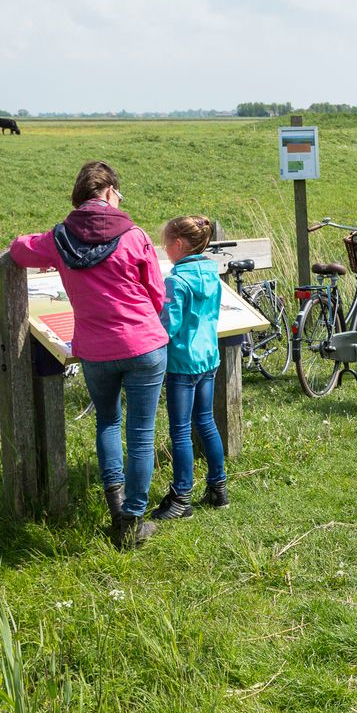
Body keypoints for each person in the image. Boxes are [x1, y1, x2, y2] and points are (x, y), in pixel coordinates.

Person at [8, 161, 167, 550]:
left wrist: (26, 241)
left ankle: (116, 511)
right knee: (141, 433)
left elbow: (19, 250)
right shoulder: (134, 235)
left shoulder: (60, 238)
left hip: (95, 348)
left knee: (108, 423)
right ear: (110, 191)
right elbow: (157, 294)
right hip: (143, 343)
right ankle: (133, 520)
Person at [150, 215, 229, 521]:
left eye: (165, 244)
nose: (163, 249)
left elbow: (168, 326)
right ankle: (218, 487)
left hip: (182, 363)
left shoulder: (176, 280)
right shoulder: (211, 273)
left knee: (181, 431)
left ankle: (182, 496)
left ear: (178, 245)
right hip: (208, 358)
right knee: (206, 422)